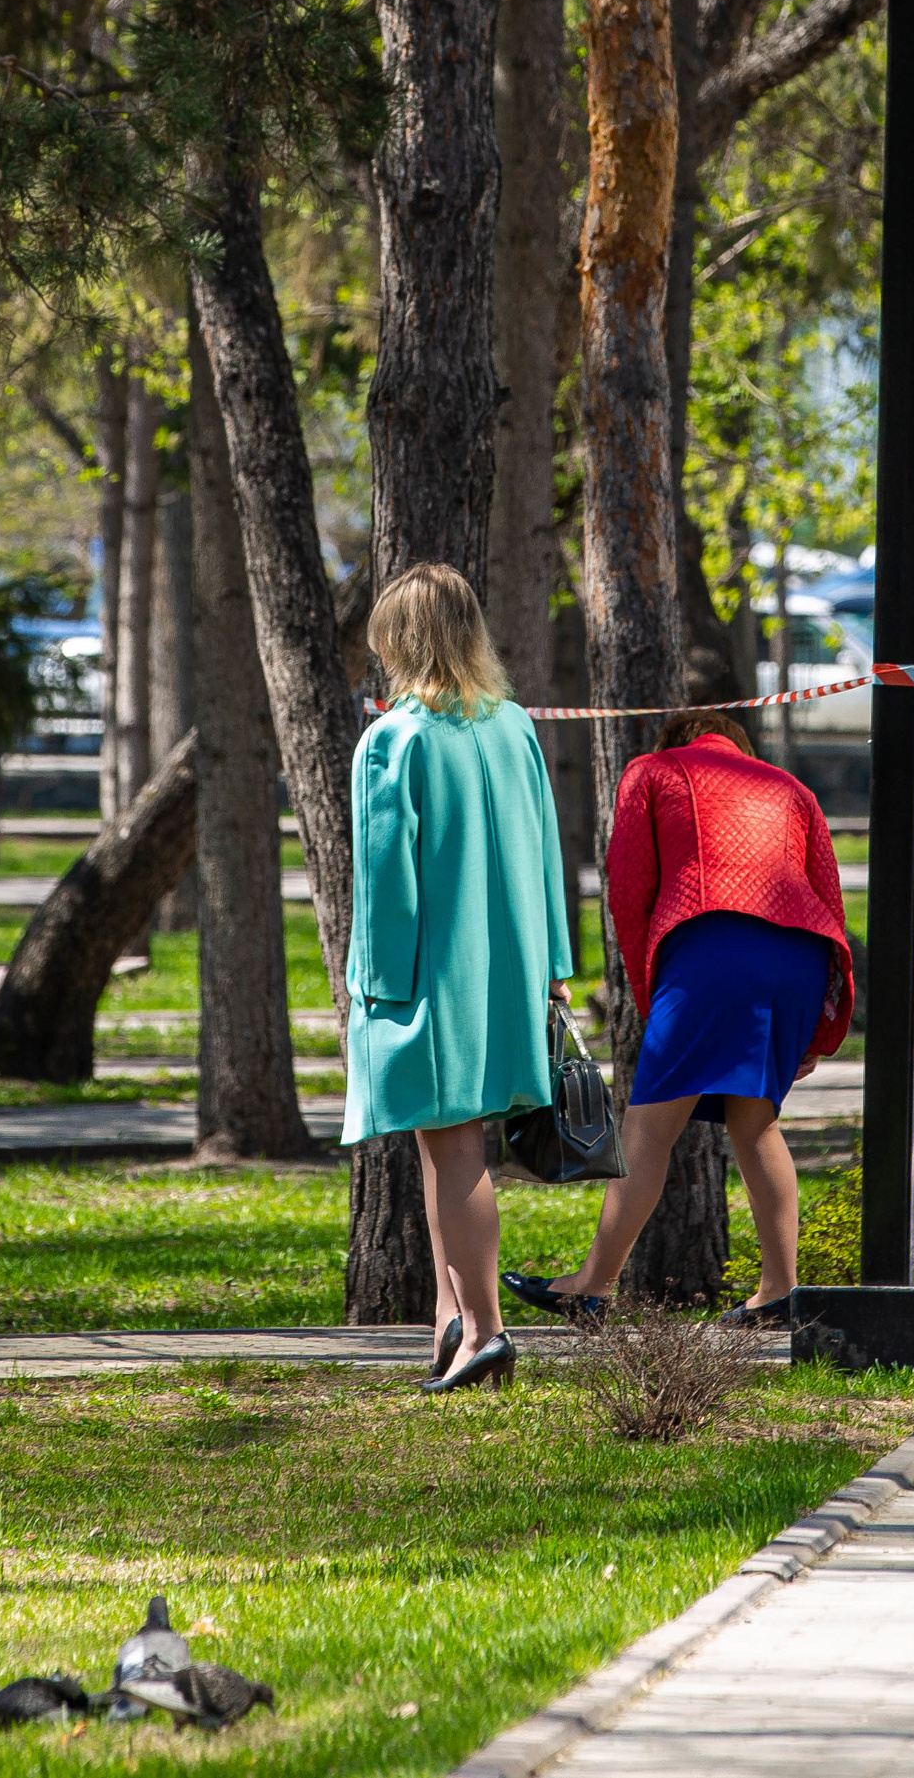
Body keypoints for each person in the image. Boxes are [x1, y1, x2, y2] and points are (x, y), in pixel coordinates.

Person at [503, 710, 851, 1330]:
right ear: (738, 748)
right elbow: (827, 895)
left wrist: (646, 993)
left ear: (674, 741)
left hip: (712, 948)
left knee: (648, 1126)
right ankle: (778, 1290)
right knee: (756, 1124)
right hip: (801, 955)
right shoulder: (790, 788)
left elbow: (629, 887)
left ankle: (593, 1285)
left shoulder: (652, 772)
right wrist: (822, 1025)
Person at [341, 564, 574, 1394]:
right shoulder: (513, 726)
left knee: (453, 1150)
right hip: (510, 968)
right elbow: (549, 853)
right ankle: (451, 1315)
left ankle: (484, 1329)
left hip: (429, 973)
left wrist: (371, 981)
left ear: (400, 640)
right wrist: (554, 967)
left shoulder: (394, 739)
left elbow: (385, 880)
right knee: (451, 1153)